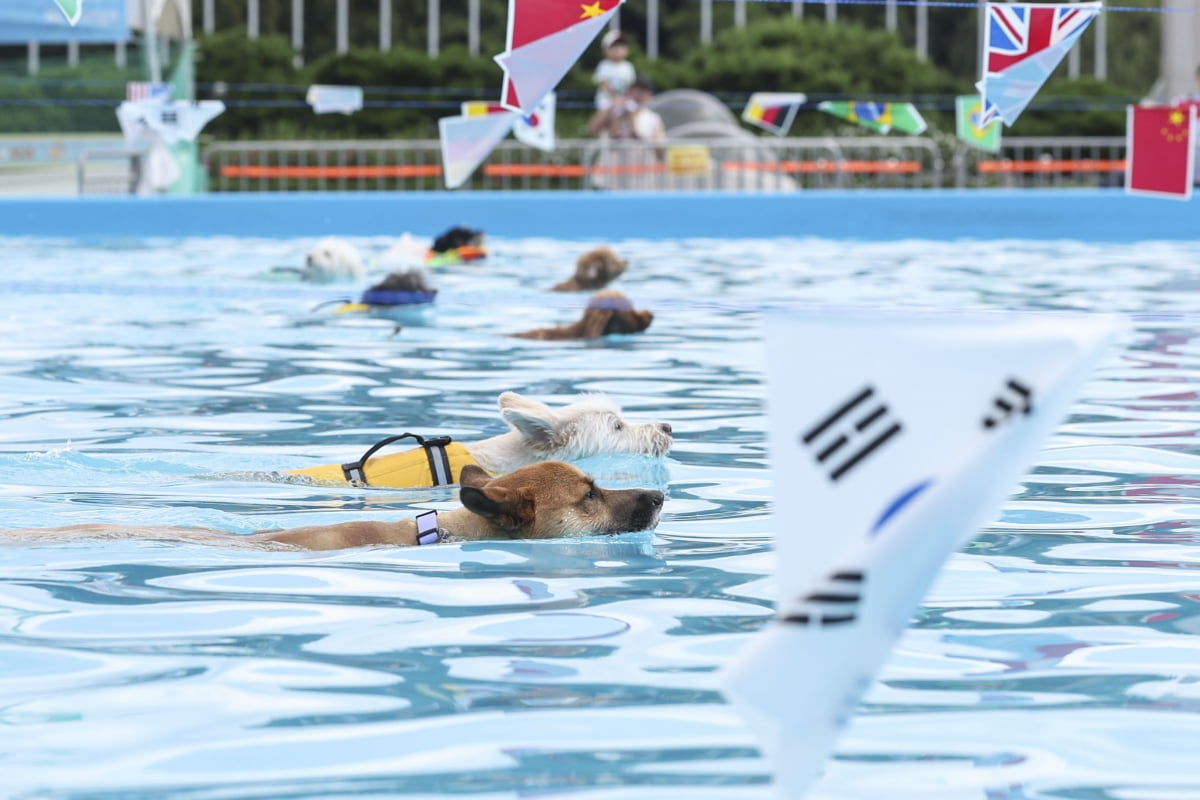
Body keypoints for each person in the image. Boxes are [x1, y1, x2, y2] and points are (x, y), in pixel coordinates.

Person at [587, 77, 666, 143]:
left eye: (642, 91)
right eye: (635, 89)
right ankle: (616, 133)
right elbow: (592, 129)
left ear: (649, 95)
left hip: (640, 160)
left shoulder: (653, 118)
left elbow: (660, 148)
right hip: (611, 161)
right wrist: (611, 105)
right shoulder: (613, 107)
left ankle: (632, 132)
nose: (638, 94)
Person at [593, 30, 636, 112]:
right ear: (605, 50)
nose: (619, 50)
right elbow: (603, 84)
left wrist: (624, 97)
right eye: (615, 47)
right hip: (606, 99)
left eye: (622, 46)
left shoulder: (628, 66)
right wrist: (615, 97)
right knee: (614, 111)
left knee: (633, 109)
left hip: (625, 98)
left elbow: (631, 85)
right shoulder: (604, 65)